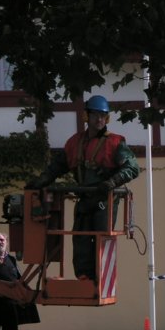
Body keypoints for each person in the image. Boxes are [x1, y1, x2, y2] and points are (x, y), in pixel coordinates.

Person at [26, 95, 139, 279]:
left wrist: (112, 182)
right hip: (85, 199)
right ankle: (84, 277)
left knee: (102, 237)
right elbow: (57, 166)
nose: (99, 119)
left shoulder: (115, 143)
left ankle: (101, 277)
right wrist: (41, 181)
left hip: (104, 199)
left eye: (103, 116)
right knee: (80, 238)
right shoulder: (74, 143)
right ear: (86, 117)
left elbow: (132, 168)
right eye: (95, 115)